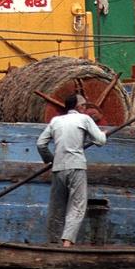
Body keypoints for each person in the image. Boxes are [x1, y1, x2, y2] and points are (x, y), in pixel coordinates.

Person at [35, 93, 107, 246]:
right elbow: (100, 141)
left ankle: (53, 243)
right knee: (77, 205)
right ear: (80, 107)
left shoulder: (55, 121)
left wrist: (51, 159)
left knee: (57, 207)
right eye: (85, 106)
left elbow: (41, 144)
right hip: (76, 167)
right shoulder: (84, 119)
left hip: (58, 168)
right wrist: (103, 135)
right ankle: (67, 244)